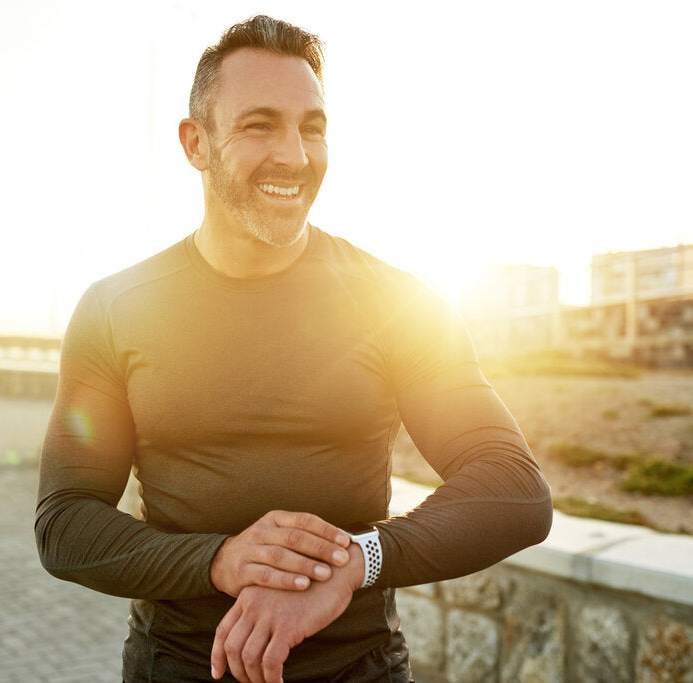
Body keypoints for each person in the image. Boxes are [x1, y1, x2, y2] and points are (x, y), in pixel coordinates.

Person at [35, 14, 552, 683]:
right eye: (260, 125)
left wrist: (356, 561)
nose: (296, 155)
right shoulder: (115, 309)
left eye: (312, 127)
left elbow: (515, 487)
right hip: (179, 667)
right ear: (196, 142)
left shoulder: (395, 300)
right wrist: (218, 559)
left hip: (358, 668)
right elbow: (65, 521)